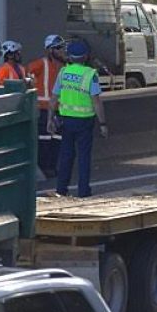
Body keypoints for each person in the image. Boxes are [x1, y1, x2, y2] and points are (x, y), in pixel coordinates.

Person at [47, 41, 108, 198]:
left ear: (70, 57)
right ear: (86, 56)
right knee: (83, 157)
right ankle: (83, 191)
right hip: (85, 121)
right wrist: (103, 123)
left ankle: (61, 189)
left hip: (66, 120)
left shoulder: (64, 73)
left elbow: (53, 98)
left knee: (66, 155)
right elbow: (96, 101)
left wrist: (50, 119)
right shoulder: (90, 75)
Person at [27, 35, 67, 178]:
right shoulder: (41, 64)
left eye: (63, 47)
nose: (62, 51)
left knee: (57, 139)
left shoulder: (65, 67)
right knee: (44, 140)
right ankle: (44, 167)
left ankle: (52, 166)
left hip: (59, 109)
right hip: (43, 108)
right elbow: (27, 75)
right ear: (50, 50)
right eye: (58, 48)